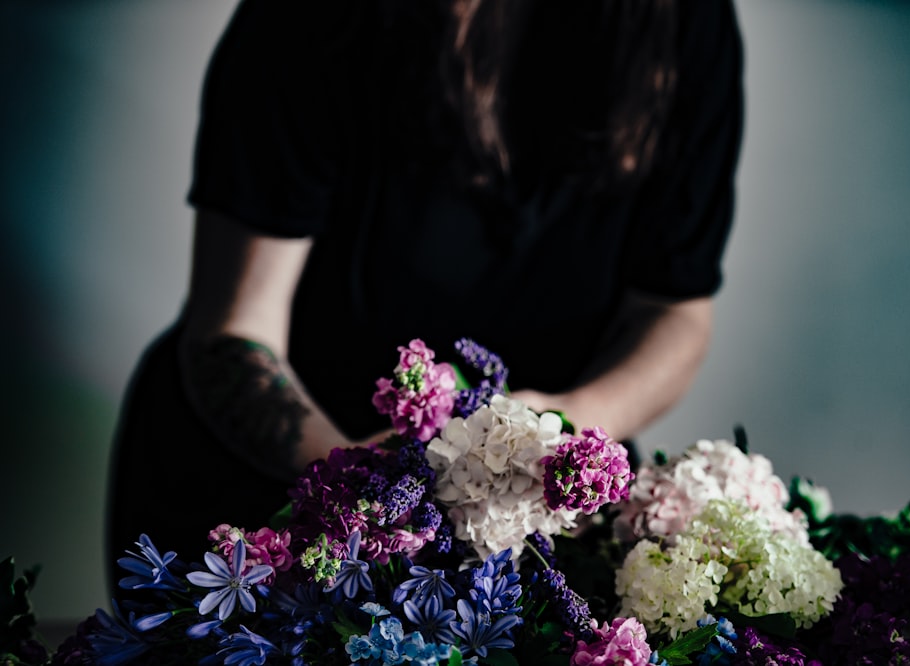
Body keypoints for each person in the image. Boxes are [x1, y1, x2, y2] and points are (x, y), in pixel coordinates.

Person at [105, 0, 743, 593]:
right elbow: (234, 332)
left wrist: (561, 429)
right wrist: (372, 494)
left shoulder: (682, 21)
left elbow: (676, 307)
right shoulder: (321, 16)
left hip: (528, 529)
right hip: (269, 503)